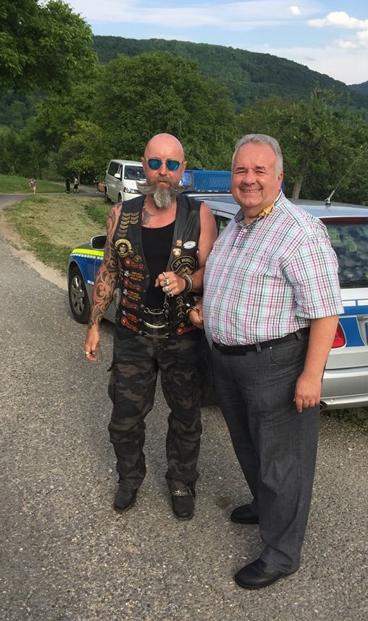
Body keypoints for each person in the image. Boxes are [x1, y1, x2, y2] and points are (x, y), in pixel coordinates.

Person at [202, 134, 343, 589]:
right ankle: (266, 507)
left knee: (282, 463)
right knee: (249, 447)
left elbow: (325, 311)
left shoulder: (299, 231)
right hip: (230, 362)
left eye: (259, 170)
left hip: (276, 365)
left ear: (278, 177)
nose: (249, 179)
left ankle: (282, 553)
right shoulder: (238, 224)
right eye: (241, 170)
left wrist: (311, 376)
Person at [84, 133, 217, 519]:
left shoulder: (199, 214)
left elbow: (212, 272)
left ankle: (181, 481)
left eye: (171, 164)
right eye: (155, 163)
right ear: (144, 165)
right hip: (132, 333)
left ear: (182, 170)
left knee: (186, 418)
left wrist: (188, 285)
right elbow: (109, 270)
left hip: (183, 336)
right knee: (124, 419)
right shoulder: (120, 214)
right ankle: (129, 478)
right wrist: (94, 324)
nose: (163, 172)